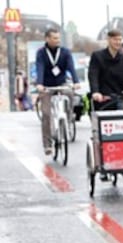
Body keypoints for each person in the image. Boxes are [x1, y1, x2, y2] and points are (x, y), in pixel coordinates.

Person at [35, 28, 80, 156]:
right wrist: (39, 84)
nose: (57, 40)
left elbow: (71, 67)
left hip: (61, 83)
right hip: (46, 85)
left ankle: (69, 116)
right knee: (46, 114)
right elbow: (40, 67)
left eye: (58, 38)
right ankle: (47, 144)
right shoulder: (41, 53)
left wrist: (76, 82)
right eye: (54, 38)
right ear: (47, 39)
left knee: (70, 94)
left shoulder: (65, 52)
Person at [88, 29, 123, 111]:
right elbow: (93, 75)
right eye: (115, 39)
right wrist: (95, 91)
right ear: (108, 40)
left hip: (120, 96)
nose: (118, 42)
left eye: (120, 40)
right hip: (103, 97)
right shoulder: (97, 56)